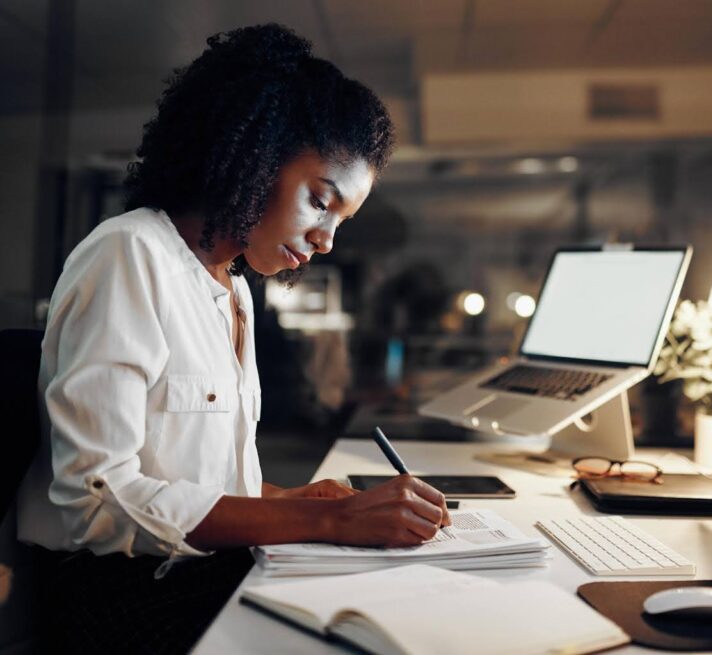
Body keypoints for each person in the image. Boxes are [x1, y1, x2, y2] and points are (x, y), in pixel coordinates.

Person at [16, 23, 450, 654]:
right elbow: (98, 499)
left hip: (197, 568)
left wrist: (292, 498)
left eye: (341, 221)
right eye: (319, 202)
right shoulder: (130, 253)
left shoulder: (234, 289)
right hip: (118, 594)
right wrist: (325, 517)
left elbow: (186, 479)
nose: (327, 240)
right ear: (257, 156)